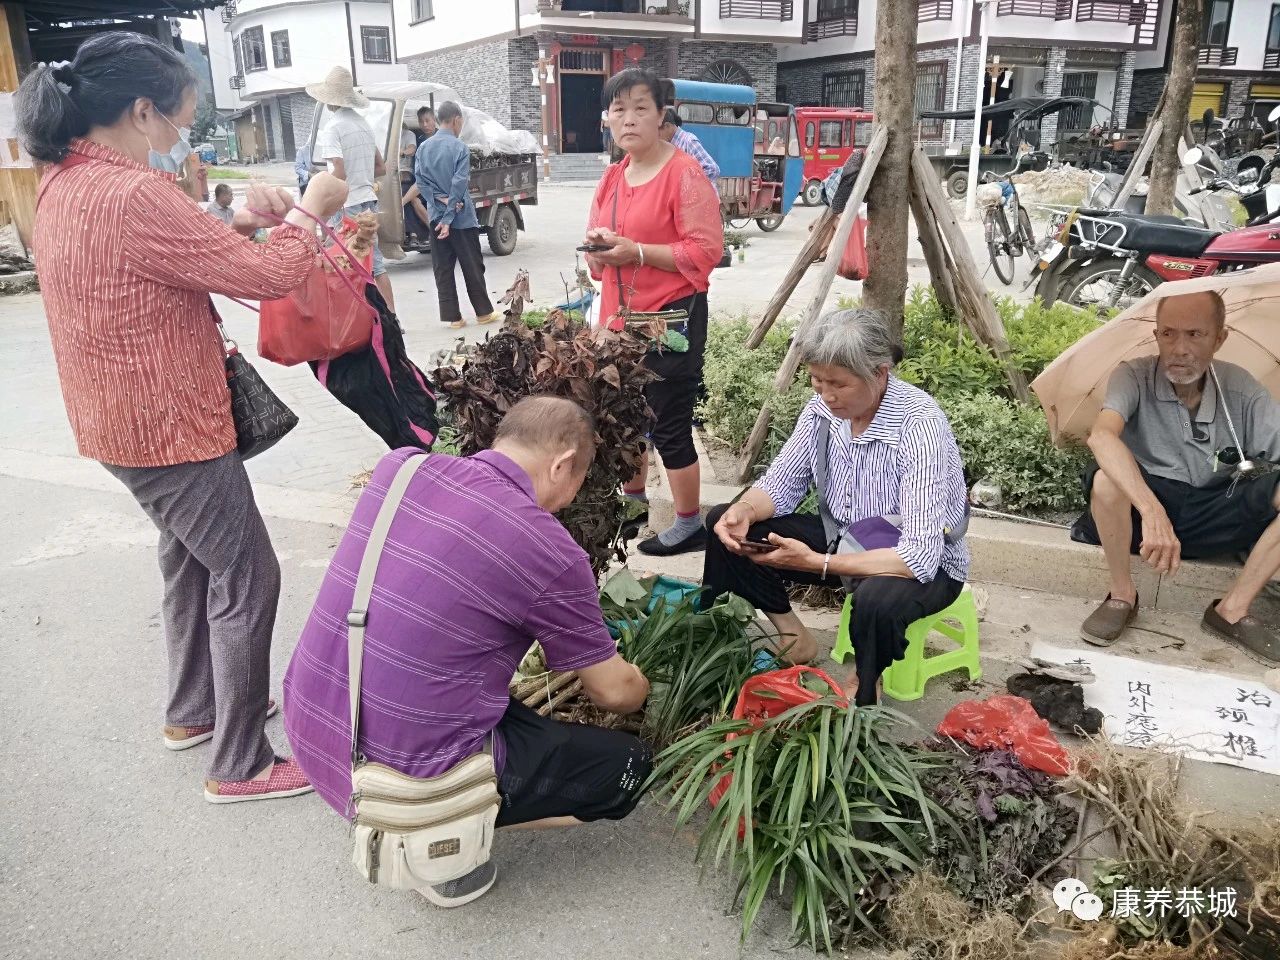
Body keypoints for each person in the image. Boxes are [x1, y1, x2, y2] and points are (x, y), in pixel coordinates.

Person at [17, 31, 350, 803]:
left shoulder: (64, 181)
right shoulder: (131, 193)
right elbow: (270, 276)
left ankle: (193, 710)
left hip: (115, 424)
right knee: (247, 571)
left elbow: (169, 248)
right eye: (180, 123)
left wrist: (241, 215)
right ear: (141, 112)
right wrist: (310, 210)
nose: (180, 139)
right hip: (167, 424)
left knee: (189, 557)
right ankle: (240, 762)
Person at [283, 396, 653, 907]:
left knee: (482, 696)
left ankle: (417, 812)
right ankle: (437, 844)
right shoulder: (545, 546)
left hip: (315, 724)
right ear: (563, 464)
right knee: (626, 767)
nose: (568, 499)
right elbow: (614, 694)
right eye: (576, 482)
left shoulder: (402, 467)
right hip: (394, 778)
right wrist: (641, 682)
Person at [702, 308, 970, 705]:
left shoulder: (918, 424)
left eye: (839, 385)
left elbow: (918, 558)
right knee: (725, 525)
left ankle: (866, 680)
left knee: (876, 600)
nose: (826, 395)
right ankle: (792, 636)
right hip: (844, 538)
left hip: (919, 563)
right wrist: (745, 510)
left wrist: (817, 564)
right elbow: (782, 483)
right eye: (817, 380)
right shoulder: (822, 411)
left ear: (879, 374)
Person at [1074, 290, 1280, 662]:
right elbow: (1102, 436)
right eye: (1168, 333)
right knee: (1105, 480)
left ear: (1219, 339)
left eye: (1195, 335)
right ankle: (1122, 595)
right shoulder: (1133, 376)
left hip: (1214, 511)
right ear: (1156, 336)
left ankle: (1230, 610)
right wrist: (1152, 513)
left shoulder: (1241, 388)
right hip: (1143, 520)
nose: (1179, 348)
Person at [586, 69, 723, 556]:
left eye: (640, 108)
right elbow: (597, 253)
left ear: (661, 115)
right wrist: (600, 252)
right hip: (619, 323)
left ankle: (689, 523)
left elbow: (705, 251)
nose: (628, 119)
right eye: (618, 109)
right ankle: (634, 505)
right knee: (625, 419)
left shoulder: (683, 173)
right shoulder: (613, 176)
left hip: (672, 321)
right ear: (607, 120)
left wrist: (637, 252)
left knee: (667, 422)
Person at [306, 66, 396, 311]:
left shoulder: (333, 128)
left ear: (329, 101)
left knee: (344, 263)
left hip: (347, 205)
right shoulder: (364, 124)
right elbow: (381, 166)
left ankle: (358, 316)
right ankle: (391, 316)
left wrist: (320, 196)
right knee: (375, 263)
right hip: (369, 202)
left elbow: (340, 170)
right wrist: (363, 174)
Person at [415, 100, 500, 329]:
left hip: (435, 218)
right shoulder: (459, 148)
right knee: (472, 265)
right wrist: (450, 216)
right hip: (461, 220)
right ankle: (483, 313)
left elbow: (420, 182)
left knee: (443, 269)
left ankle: (454, 318)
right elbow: (459, 183)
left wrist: (437, 201)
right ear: (456, 120)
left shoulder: (423, 148)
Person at [659, 108, 719, 186]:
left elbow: (712, 169)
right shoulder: (668, 146)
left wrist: (688, 187)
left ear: (667, 126)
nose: (657, 137)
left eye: (658, 133)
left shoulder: (688, 141)